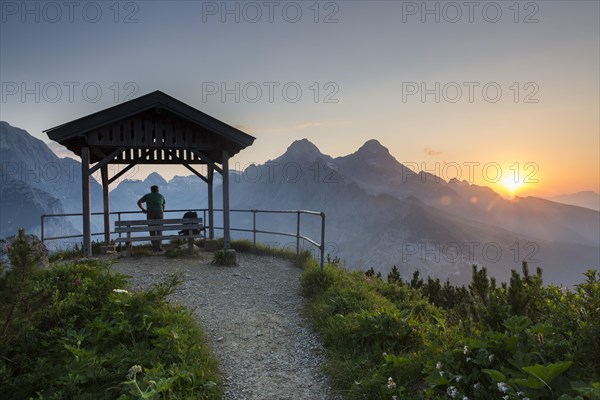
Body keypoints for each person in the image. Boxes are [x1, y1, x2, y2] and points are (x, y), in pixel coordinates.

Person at [137, 185, 166, 252]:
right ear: (157, 190)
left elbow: (139, 202)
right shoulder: (161, 196)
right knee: (159, 229)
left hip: (150, 213)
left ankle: (154, 247)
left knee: (151, 229)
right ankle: (159, 246)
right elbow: (163, 204)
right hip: (159, 212)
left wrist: (143, 209)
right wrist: (162, 211)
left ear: (151, 190)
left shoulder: (147, 195)